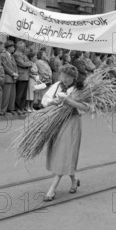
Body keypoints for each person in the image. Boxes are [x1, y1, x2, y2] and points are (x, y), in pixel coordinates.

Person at [41, 65, 91, 201]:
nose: (64, 79)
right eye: (62, 75)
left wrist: (69, 101)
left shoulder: (79, 89)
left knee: (64, 153)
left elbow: (86, 108)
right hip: (57, 122)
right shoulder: (57, 85)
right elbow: (44, 101)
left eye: (67, 77)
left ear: (74, 78)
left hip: (71, 122)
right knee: (59, 152)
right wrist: (53, 101)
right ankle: (74, 180)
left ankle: (52, 190)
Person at [14, 40, 32, 114]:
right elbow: (22, 64)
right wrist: (29, 63)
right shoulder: (16, 54)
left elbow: (28, 63)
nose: (25, 47)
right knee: (19, 94)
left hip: (26, 76)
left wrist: (28, 63)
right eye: (24, 46)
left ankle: (22, 107)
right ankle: (18, 108)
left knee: (24, 94)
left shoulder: (23, 54)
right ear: (20, 46)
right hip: (21, 76)